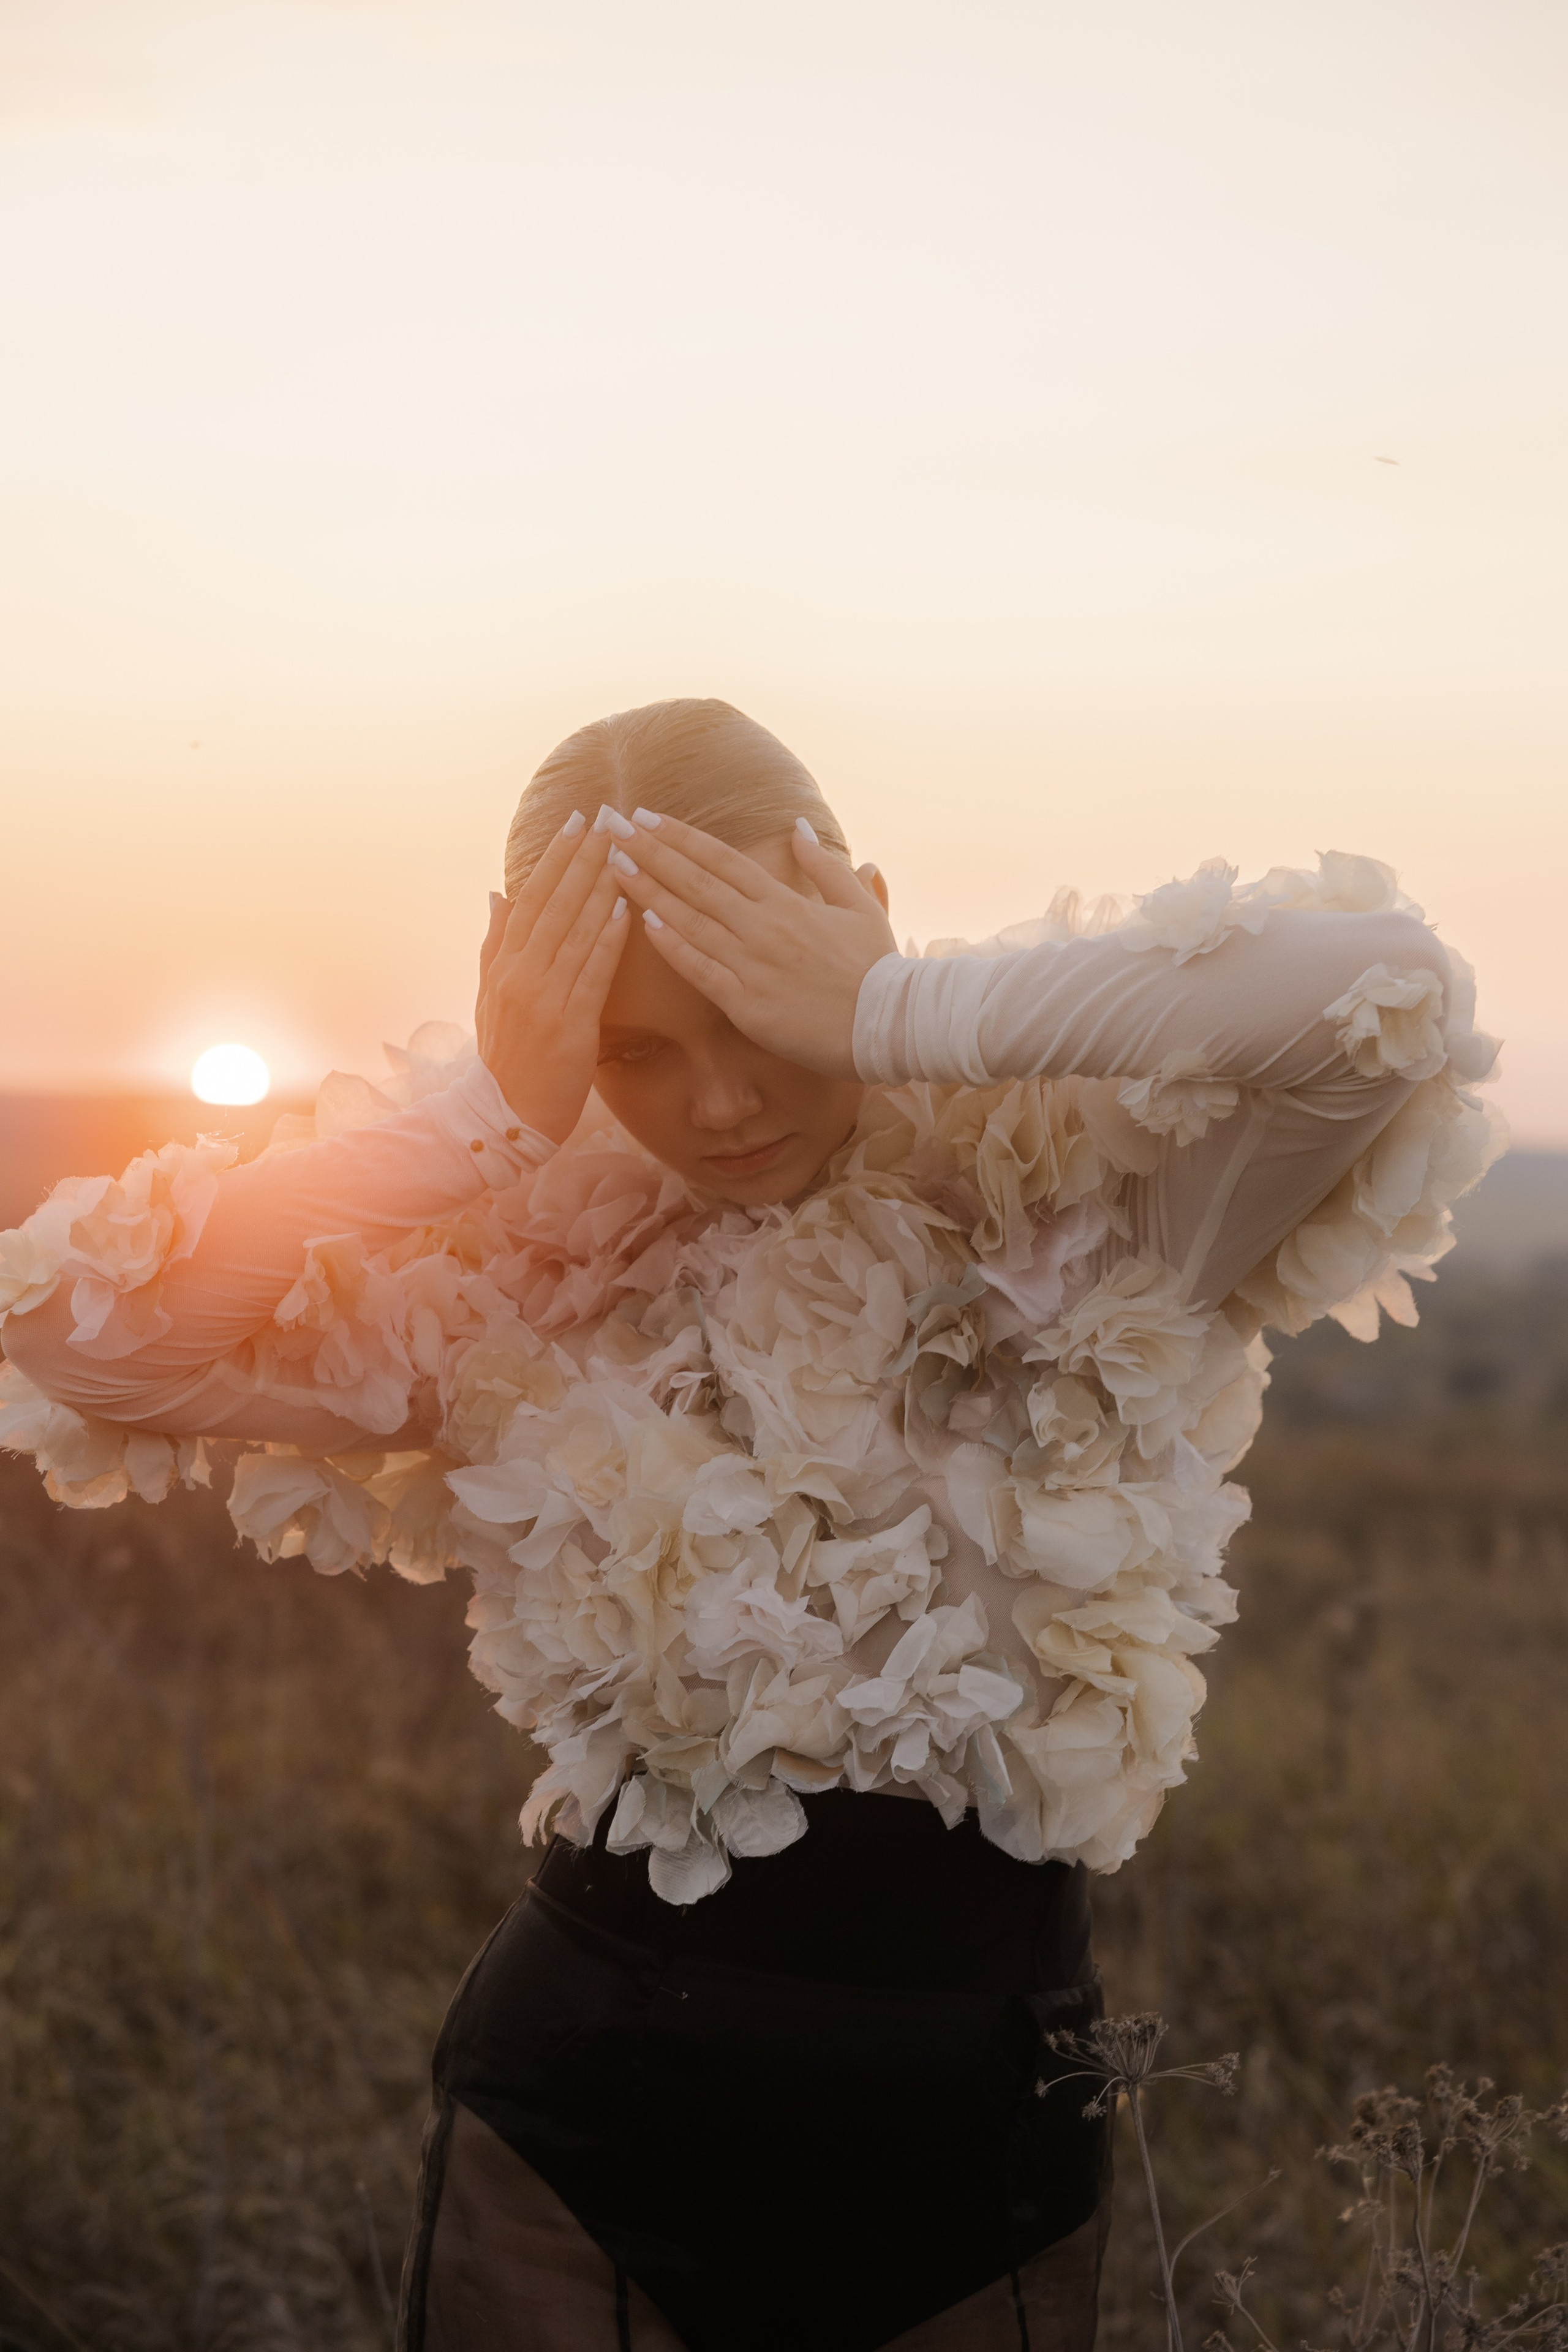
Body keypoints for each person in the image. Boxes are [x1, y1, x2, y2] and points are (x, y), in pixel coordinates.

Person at [0, 699, 1501, 2351]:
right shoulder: (516, 1258)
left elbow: (1390, 1003)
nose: (717, 1104)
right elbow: (87, 1343)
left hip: (973, 2151)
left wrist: (891, 1010)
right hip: (576, 2135)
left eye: (755, 1015)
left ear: (854, 903)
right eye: (633, 1050)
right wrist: (485, 1115)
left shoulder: (1106, 1197)